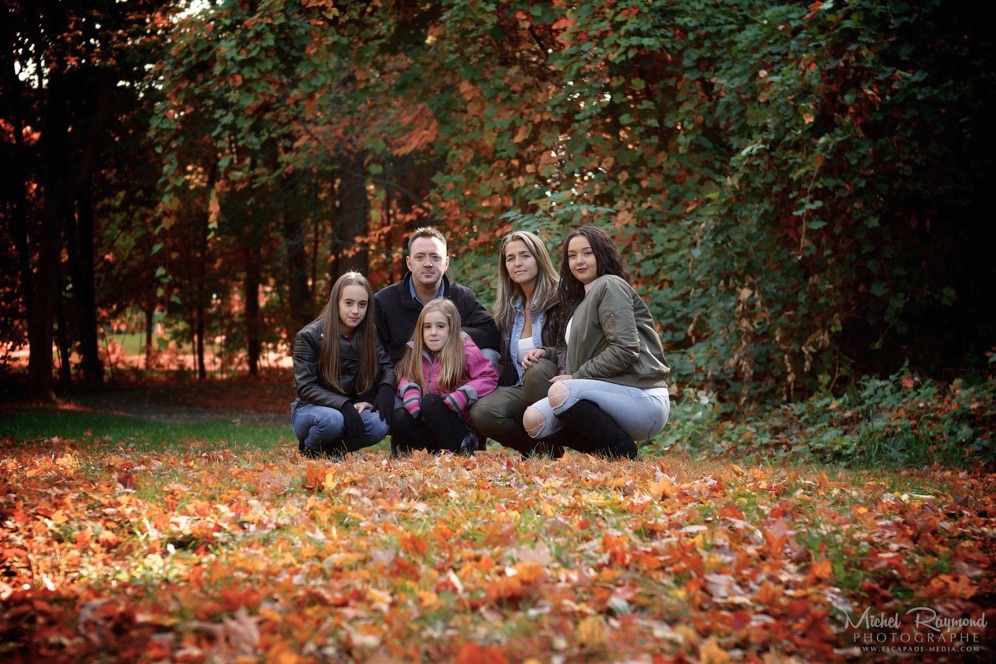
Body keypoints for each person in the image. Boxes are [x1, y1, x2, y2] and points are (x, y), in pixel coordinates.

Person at [522, 226, 670, 459]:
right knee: (533, 420)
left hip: (643, 396)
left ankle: (626, 453)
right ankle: (608, 452)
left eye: (587, 253)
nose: (579, 261)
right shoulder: (582, 299)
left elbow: (625, 348)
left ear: (602, 254)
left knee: (561, 392)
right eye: (572, 256)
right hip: (610, 393)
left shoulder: (610, 285)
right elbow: (584, 349)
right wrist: (546, 353)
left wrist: (577, 376)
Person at [469, 230, 564, 458]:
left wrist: (545, 352)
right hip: (521, 387)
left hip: (555, 384)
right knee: (481, 412)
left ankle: (550, 439)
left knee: (536, 368)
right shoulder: (510, 308)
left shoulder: (561, 298)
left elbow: (574, 346)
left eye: (525, 256)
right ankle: (536, 450)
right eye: (510, 258)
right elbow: (503, 358)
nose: (517, 263)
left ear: (539, 258)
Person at [291, 272, 396, 459]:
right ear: (336, 303)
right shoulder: (309, 336)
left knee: (379, 423)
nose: (355, 311)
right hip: (311, 410)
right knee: (333, 420)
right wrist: (344, 405)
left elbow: (386, 366)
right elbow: (306, 388)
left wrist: (386, 388)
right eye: (349, 303)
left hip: (351, 408)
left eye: (362, 304)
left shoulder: (369, 333)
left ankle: (333, 451)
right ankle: (310, 449)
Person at [374, 226, 500, 366]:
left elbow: (491, 334)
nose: (428, 264)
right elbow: (375, 351)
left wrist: (451, 335)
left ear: (446, 263)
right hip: (405, 379)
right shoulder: (384, 301)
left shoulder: (461, 296)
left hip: (453, 378)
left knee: (489, 355)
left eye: (435, 257)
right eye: (420, 257)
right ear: (409, 263)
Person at [391, 298, 499, 456]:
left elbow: (489, 377)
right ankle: (432, 452)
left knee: (430, 402)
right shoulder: (417, 351)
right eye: (427, 327)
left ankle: (457, 450)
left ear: (451, 328)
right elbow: (406, 374)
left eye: (440, 326)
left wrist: (463, 394)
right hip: (429, 423)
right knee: (399, 417)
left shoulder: (464, 349)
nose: (433, 332)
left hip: (458, 425)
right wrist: (410, 390)